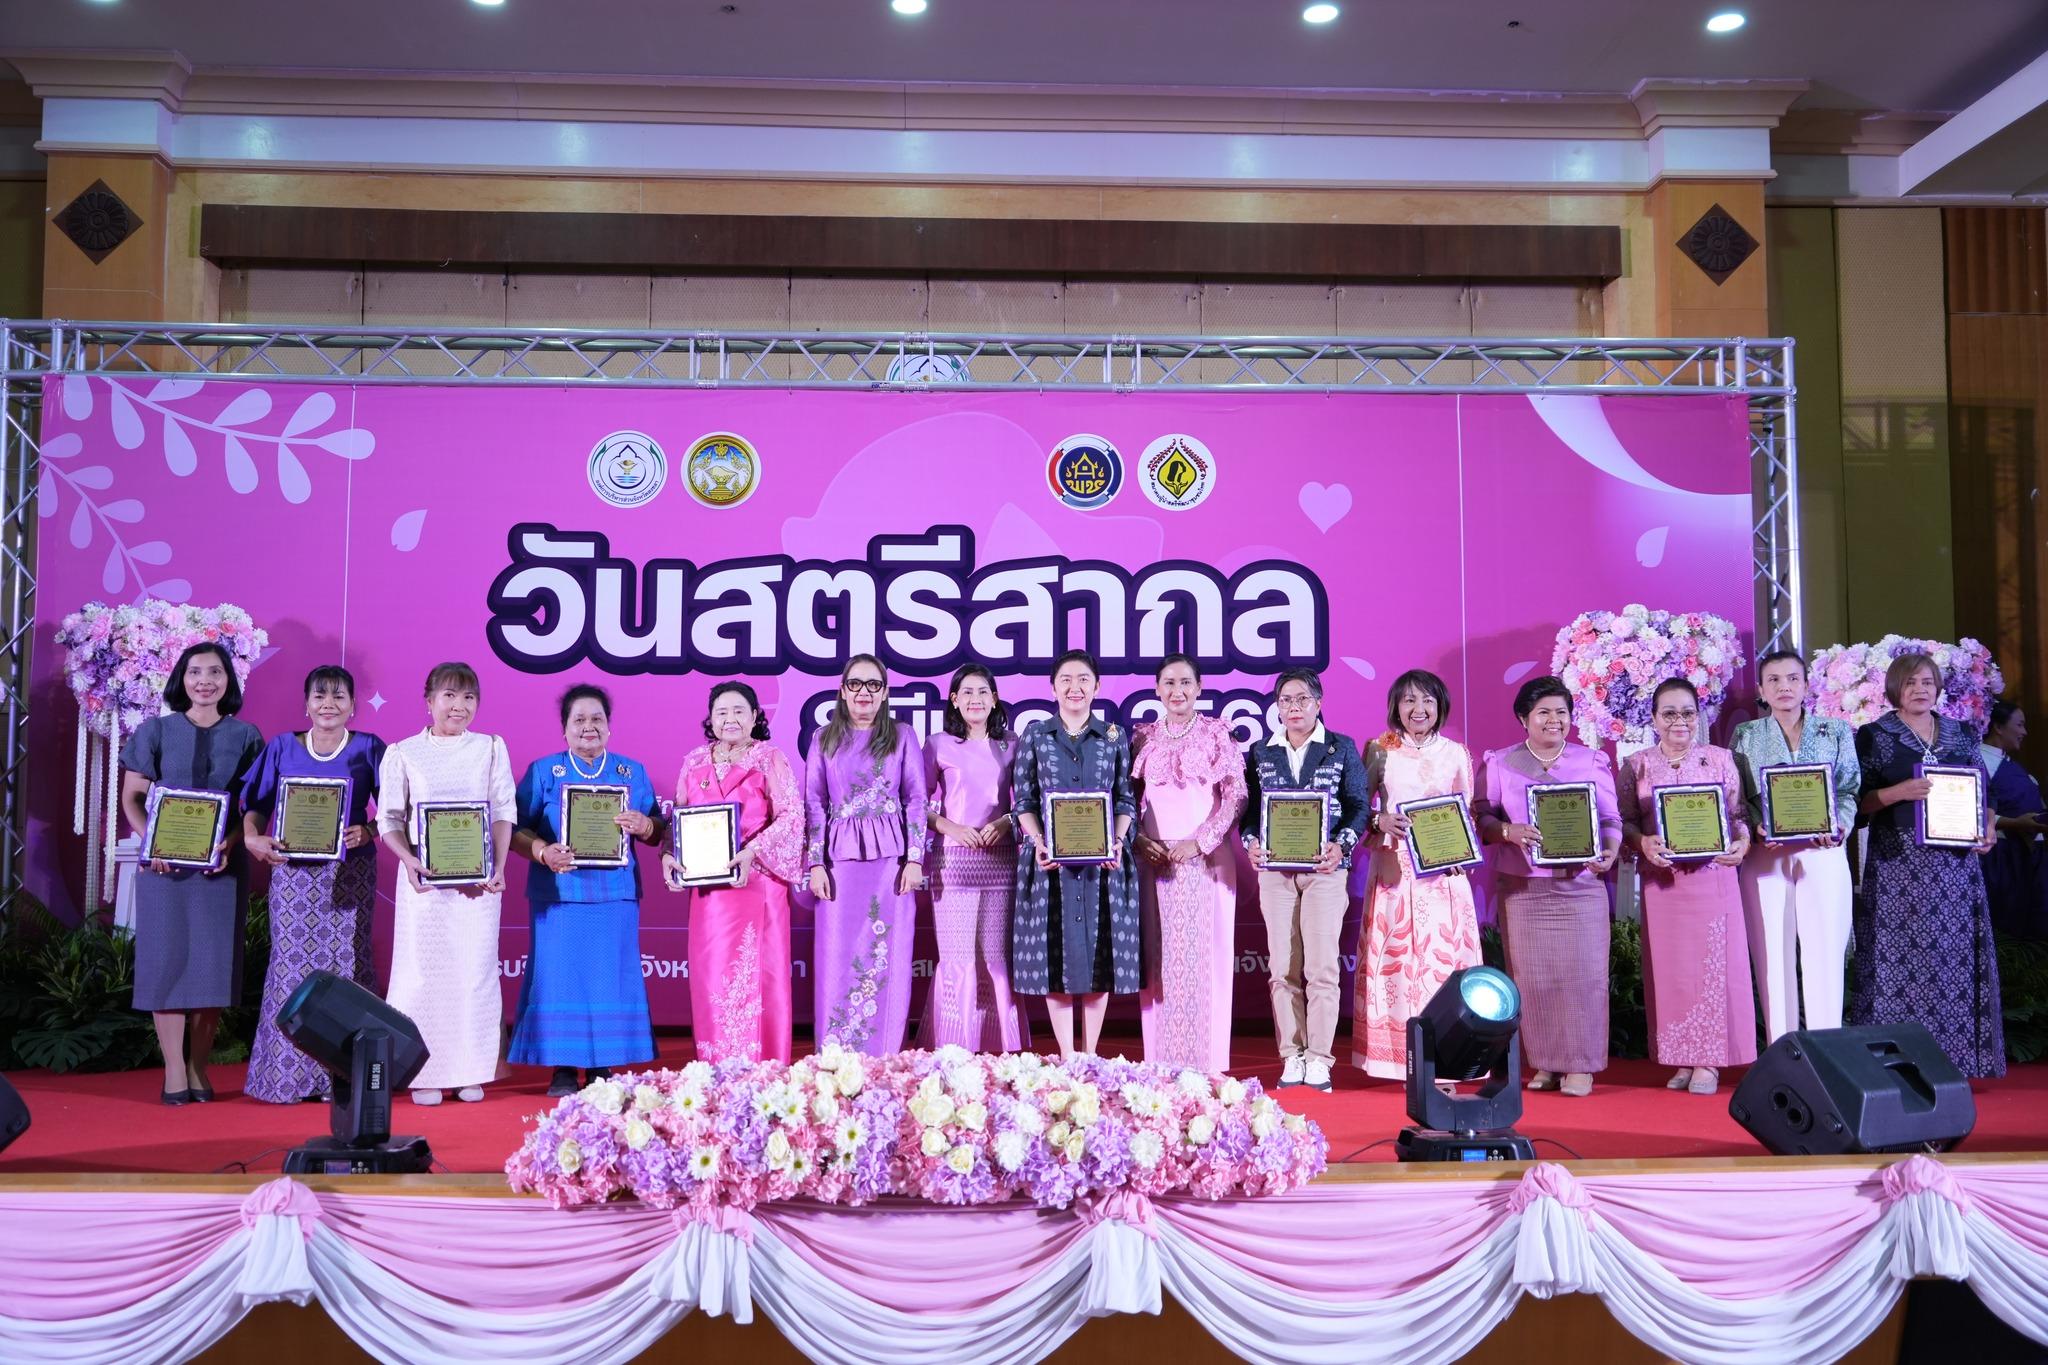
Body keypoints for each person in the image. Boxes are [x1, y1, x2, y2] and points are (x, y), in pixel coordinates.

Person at [118, 642, 264, 1106]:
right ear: (181, 679)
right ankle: (174, 1070)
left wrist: (232, 842)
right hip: (164, 868)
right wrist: (151, 841)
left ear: (228, 681)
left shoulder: (247, 736)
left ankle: (199, 1066)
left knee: (211, 966)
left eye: (215, 672)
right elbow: (132, 797)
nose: (205, 681)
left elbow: (253, 806)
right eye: (195, 672)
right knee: (165, 963)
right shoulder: (155, 731)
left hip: (221, 867)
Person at [240, 665, 386, 1104]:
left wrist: (369, 831)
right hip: (293, 876)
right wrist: (251, 838)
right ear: (306, 703)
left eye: (339, 696)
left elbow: (396, 810)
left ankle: (343, 1077)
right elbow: (255, 805)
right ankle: (286, 1079)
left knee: (348, 968)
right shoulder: (282, 746)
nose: (328, 704)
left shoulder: (369, 747)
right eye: (320, 696)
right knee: (291, 968)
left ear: (353, 705)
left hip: (349, 875)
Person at [1852, 653, 2004, 1077]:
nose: (1920, 689)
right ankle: (1893, 1062)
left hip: (1954, 868)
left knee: (1952, 961)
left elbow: (1986, 794)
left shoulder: (1960, 733)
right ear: (1894, 688)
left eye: (1927, 682)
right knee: (1896, 961)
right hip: (1898, 866)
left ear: (1938, 687)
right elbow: (1855, 804)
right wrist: (1897, 792)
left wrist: (1988, 826)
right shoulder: (1874, 735)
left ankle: (1954, 1060)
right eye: (1910, 682)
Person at [509, 684, 664, 1096]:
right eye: (578, 719)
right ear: (564, 728)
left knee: (606, 981)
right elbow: (514, 830)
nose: (588, 727)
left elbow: (658, 829)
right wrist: (542, 851)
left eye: (597, 719)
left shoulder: (632, 772)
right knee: (559, 981)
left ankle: (601, 1067)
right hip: (558, 895)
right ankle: (561, 1069)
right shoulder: (544, 771)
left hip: (614, 895)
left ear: (609, 727)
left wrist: (646, 826)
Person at [1474, 676, 1621, 1098]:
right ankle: (1545, 1062)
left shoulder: (1591, 760)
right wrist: (1508, 831)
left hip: (1581, 887)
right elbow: (1482, 819)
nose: (1554, 720)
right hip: (1524, 889)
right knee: (1534, 979)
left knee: (1584, 978)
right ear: (1524, 718)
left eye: (1561, 712)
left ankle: (1581, 1066)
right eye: (1543, 712)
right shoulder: (1499, 762)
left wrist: (1609, 851)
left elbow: (1610, 819)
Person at [377, 662, 516, 1104]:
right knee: (422, 976)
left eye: (469, 697)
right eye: (450, 696)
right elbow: (388, 818)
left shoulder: (490, 747)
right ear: (429, 701)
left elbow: (503, 810)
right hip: (425, 887)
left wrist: (498, 866)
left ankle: (471, 1070)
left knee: (473, 974)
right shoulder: (403, 753)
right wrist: (408, 860)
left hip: (479, 888)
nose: (459, 706)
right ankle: (423, 1073)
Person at [1619, 677, 1756, 1096]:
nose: (1679, 721)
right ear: (1654, 719)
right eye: (1669, 713)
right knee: (1672, 972)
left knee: (1713, 969)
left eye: (1688, 713)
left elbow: (1739, 815)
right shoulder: (1636, 765)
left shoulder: (1721, 759)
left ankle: (1709, 1060)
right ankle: (1682, 1055)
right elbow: (1624, 822)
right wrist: (1642, 842)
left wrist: (1743, 843)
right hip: (1664, 883)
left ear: (1699, 717)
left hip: (1713, 879)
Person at [1241, 667, 1373, 1092]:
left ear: (1319, 703)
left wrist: (1342, 845)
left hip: (1325, 871)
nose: (1293, 707)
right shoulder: (1261, 752)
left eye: (1302, 699)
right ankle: (1291, 1056)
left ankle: (1319, 1059)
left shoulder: (1340, 747)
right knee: (1282, 968)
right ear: (1277, 707)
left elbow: (1358, 805)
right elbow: (1249, 811)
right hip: (1275, 873)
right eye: (1285, 700)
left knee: (1321, 968)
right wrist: (1250, 843)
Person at [1351, 669, 1482, 1082]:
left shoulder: (1456, 753)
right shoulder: (1380, 749)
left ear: (1441, 705)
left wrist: (1464, 848)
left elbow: (1468, 811)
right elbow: (1357, 807)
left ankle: (1449, 1054)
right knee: (1397, 963)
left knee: (1442, 963)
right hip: (1395, 872)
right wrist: (1379, 821)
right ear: (1396, 706)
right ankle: (1394, 1058)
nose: (1418, 708)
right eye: (1409, 700)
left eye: (1427, 700)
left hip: (1443, 877)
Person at [1012, 649, 1140, 1059]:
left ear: (1097, 686)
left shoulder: (1114, 737)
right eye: (1065, 679)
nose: (1075, 687)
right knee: (1057, 957)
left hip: (1103, 865)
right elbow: (1024, 800)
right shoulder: (1035, 735)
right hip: (1050, 864)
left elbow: (1126, 799)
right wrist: (1038, 841)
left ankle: (1091, 1053)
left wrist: (1116, 840)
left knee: (1099, 956)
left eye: (1083, 679)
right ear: (1052, 687)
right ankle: (1068, 1055)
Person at [668, 680, 803, 1065]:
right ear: (710, 718)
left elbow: (792, 817)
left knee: (760, 976)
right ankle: (716, 1065)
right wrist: (669, 856)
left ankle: (765, 1068)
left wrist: (753, 850)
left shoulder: (770, 758)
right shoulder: (695, 761)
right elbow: (678, 820)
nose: (730, 719)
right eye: (722, 712)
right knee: (712, 975)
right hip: (710, 891)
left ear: (755, 716)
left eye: (739, 711)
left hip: (758, 883)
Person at [1731, 650, 1860, 1040]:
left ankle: (1827, 1050)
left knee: (1825, 952)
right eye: (1774, 679)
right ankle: (1780, 1050)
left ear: (1806, 685)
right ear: (1761, 689)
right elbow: (1737, 797)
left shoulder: (1835, 731)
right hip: (1766, 857)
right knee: (1772, 955)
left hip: (1824, 851)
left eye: (1792, 678)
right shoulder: (1747, 734)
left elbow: (1849, 789)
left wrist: (1839, 825)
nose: (1784, 686)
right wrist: (1757, 828)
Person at [805, 654, 927, 1055]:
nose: (864, 692)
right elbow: (814, 804)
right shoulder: (824, 738)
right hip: (838, 864)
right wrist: (815, 864)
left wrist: (914, 858)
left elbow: (916, 798)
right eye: (855, 683)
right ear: (843, 690)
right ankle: (836, 1055)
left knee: (887, 956)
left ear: (885, 692)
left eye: (873, 684)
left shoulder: (903, 735)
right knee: (837, 957)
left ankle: (884, 1054)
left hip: (891, 863)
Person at [1133, 654, 1246, 1073]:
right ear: (1157, 689)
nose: (1177, 691)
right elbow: (1129, 801)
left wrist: (1199, 842)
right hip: (1156, 862)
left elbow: (1236, 796)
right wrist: (1141, 840)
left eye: (1185, 683)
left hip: (1205, 859)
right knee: (1160, 960)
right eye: (1169, 683)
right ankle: (1160, 1061)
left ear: (1199, 688)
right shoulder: (1143, 738)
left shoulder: (1216, 734)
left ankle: (1206, 1062)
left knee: (1204, 959)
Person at [918, 663, 1030, 1053]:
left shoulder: (1013, 744)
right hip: (952, 863)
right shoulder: (937, 744)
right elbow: (917, 805)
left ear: (994, 699)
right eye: (966, 692)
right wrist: (951, 828)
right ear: (954, 700)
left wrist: (1005, 822)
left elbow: (1028, 803)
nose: (975, 699)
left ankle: (1002, 1045)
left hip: (1001, 861)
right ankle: (955, 1045)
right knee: (957, 957)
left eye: (983, 691)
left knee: (996, 957)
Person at [1981, 699, 2048, 940]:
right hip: (2001, 859)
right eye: (2019, 725)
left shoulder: (2014, 768)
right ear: (1998, 727)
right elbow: (1974, 812)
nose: (2025, 732)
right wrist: (2016, 824)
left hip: (2031, 859)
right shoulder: (1977, 761)